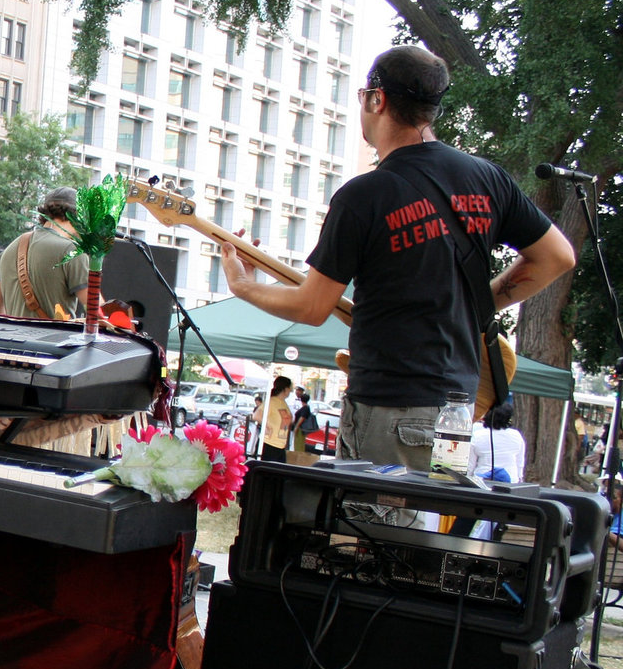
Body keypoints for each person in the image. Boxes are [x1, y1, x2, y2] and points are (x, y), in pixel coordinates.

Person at [222, 45, 576, 469]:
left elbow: (311, 306)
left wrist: (243, 285)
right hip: (457, 412)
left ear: (377, 98)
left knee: (375, 531)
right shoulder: (487, 177)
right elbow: (557, 256)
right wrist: (478, 303)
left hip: (391, 407)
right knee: (419, 533)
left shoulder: (364, 195)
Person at [0, 187, 91, 319]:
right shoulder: (72, 252)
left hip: (13, 338)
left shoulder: (8, 251)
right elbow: (95, 311)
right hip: (54, 339)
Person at [467, 400, 526, 484]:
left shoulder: (477, 436)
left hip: (482, 481)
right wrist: (520, 479)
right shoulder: (517, 435)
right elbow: (520, 463)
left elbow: (470, 466)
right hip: (511, 482)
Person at [260, 376, 293, 462]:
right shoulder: (271, 401)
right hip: (269, 444)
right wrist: (267, 426)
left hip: (280, 445)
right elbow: (256, 415)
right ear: (285, 389)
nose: (290, 390)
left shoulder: (283, 403)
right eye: (290, 388)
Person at [289, 387, 316, 452]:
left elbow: (302, 417)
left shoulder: (306, 408)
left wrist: (296, 427)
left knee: (298, 444)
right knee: (294, 443)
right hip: (297, 427)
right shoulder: (304, 407)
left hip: (300, 429)